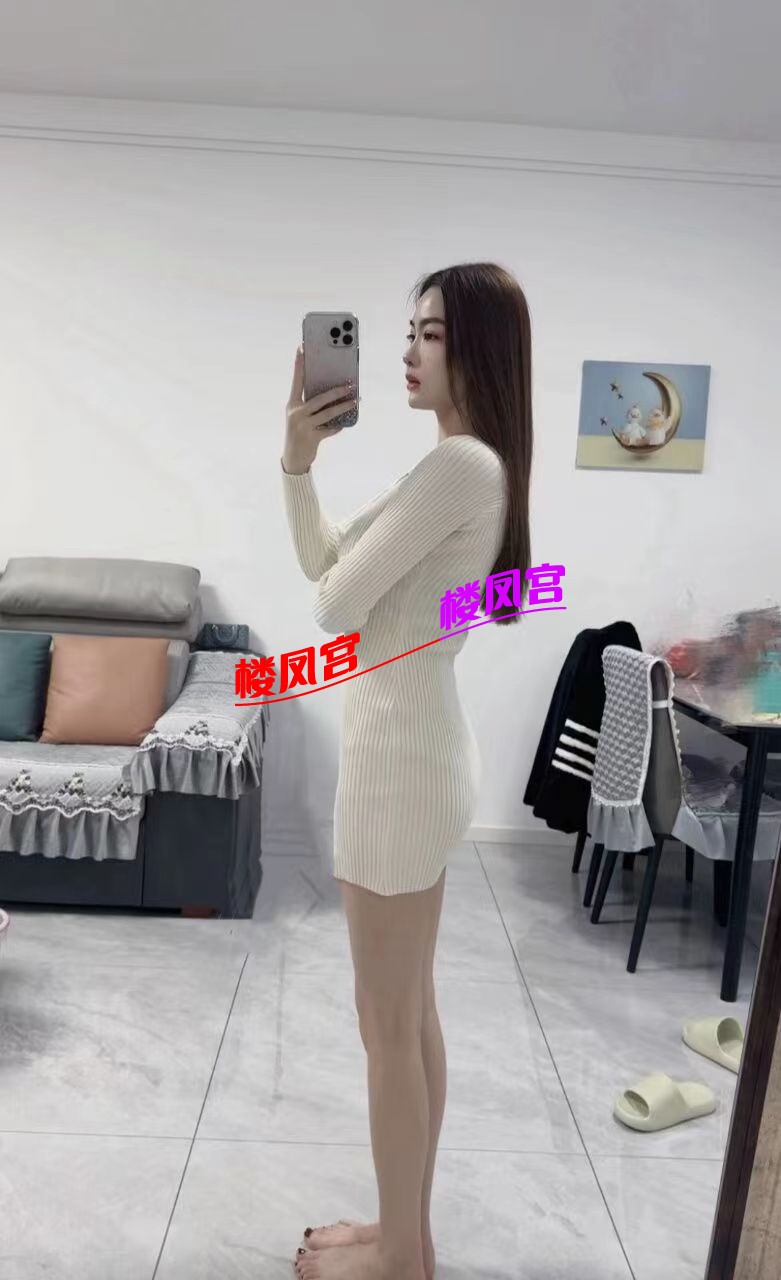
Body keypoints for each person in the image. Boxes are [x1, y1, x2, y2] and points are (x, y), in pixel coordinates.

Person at [281, 262, 533, 1280]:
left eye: (431, 333)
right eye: (409, 332)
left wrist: (337, 557)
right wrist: (296, 462)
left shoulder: (459, 467)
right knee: (408, 1013)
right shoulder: (457, 467)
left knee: (386, 1023)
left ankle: (398, 1259)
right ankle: (407, 1237)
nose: (406, 351)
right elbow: (326, 564)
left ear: (478, 349)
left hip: (399, 765)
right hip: (411, 751)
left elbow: (332, 606)